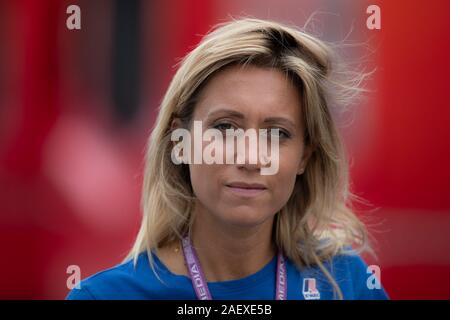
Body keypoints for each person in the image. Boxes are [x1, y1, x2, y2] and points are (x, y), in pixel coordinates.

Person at [67, 18, 389, 300]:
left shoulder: (347, 284)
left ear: (304, 156)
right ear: (180, 142)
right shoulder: (105, 296)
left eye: (277, 133)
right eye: (225, 128)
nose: (250, 158)